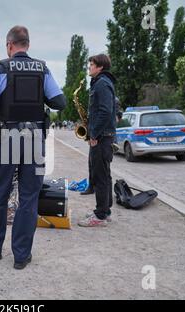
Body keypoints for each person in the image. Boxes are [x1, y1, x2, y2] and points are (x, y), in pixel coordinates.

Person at [0, 26, 66, 269]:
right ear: (27, 44)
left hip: (7, 138)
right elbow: (60, 102)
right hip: (35, 139)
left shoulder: (1, 69)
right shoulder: (43, 68)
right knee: (29, 198)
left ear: (9, 45)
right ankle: (21, 255)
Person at [78, 54, 116, 227]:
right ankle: (105, 210)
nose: (89, 67)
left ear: (100, 67)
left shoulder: (101, 84)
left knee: (100, 176)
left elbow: (105, 111)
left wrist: (93, 134)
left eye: (92, 64)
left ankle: (100, 216)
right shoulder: (102, 82)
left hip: (101, 138)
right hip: (103, 136)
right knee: (104, 175)